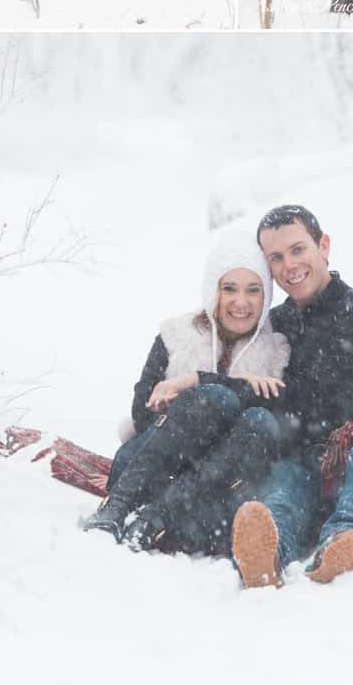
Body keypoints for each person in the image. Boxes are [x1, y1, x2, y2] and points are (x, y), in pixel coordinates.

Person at [229, 205, 353, 589]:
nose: (290, 265)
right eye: (276, 258)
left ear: (324, 246)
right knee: (284, 489)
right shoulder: (274, 327)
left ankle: (346, 539)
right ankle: (265, 558)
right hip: (299, 462)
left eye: (298, 250)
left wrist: (301, 409)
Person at [82, 229, 289, 556]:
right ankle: (116, 508)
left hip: (207, 493)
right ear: (213, 290)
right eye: (229, 288)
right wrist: (188, 406)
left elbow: (275, 416)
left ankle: (154, 520)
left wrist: (193, 380)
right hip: (149, 470)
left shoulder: (276, 351)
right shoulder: (177, 335)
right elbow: (141, 412)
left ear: (266, 298)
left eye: (254, 290)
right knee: (217, 400)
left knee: (260, 420)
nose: (241, 302)